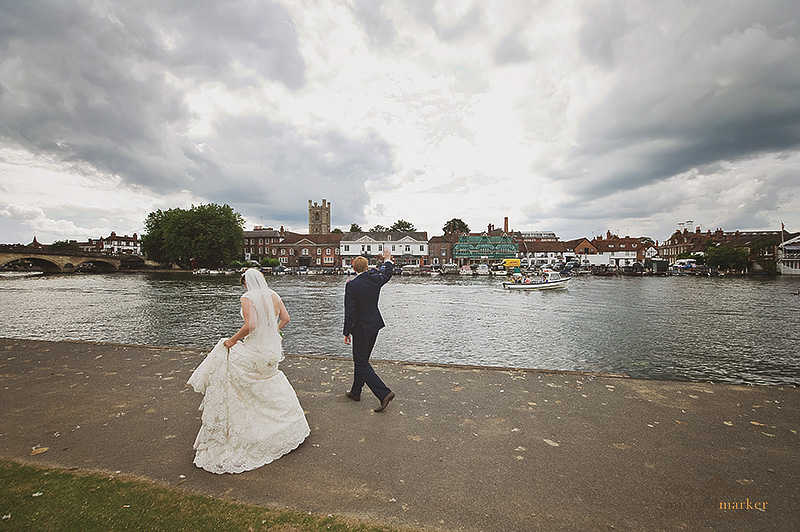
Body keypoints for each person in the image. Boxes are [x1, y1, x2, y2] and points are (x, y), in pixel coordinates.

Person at [187, 268, 310, 474]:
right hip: (271, 349)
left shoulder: (247, 297)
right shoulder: (274, 295)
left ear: (246, 283)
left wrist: (233, 340)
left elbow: (251, 324)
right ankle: (285, 425)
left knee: (227, 359)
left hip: (255, 347)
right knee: (269, 380)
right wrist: (274, 331)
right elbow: (286, 319)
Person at [343, 250, 396, 412]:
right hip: (374, 325)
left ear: (353, 268)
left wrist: (346, 332)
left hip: (360, 329)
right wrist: (388, 260)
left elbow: (349, 311)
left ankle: (384, 393)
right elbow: (386, 274)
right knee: (363, 360)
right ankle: (356, 391)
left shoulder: (352, 285)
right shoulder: (375, 279)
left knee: (361, 362)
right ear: (366, 267)